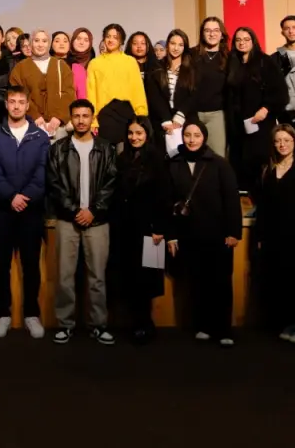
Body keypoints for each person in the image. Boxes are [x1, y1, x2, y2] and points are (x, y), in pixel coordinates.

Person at [0, 86, 50, 339]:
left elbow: (43, 172)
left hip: (31, 211)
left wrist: (25, 197)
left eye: (21, 102)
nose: (17, 106)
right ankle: (3, 314)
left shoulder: (40, 137)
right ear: (6, 105)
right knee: (1, 265)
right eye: (12, 102)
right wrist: (11, 196)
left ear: (28, 105)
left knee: (31, 265)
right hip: (2, 210)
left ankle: (32, 314)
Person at [46, 99, 116, 344]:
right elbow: (54, 184)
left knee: (97, 277)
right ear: (71, 119)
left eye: (86, 116)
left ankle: (99, 324)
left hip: (97, 222)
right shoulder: (59, 148)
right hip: (68, 221)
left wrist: (93, 211)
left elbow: (111, 184)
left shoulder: (106, 148)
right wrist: (75, 210)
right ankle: (65, 325)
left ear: (92, 118)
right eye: (76, 116)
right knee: (65, 277)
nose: (81, 120)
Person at [168, 120, 241, 346]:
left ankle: (224, 330)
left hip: (217, 234)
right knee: (196, 283)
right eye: (188, 135)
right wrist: (171, 234)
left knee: (220, 283)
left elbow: (231, 199)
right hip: (188, 234)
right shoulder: (173, 163)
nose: (191, 139)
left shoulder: (219, 164)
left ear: (204, 137)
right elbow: (166, 201)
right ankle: (203, 325)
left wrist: (233, 231)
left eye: (196, 135)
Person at [253, 124, 295, 345]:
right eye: (278, 141)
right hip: (274, 237)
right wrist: (260, 237)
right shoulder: (267, 169)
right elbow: (263, 207)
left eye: (287, 140)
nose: (282, 144)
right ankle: (288, 325)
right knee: (280, 283)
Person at [111, 117, 174, 344]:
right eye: (130, 133)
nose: (134, 137)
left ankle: (146, 324)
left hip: (151, 230)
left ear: (147, 134)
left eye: (138, 133)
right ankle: (134, 324)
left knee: (147, 279)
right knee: (129, 276)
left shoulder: (158, 159)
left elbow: (165, 196)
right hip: (126, 229)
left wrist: (160, 227)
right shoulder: (121, 159)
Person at [223, 26, 288, 196]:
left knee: (260, 166)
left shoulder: (265, 62)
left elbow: (280, 93)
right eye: (238, 40)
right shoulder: (232, 63)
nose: (242, 43)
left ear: (253, 41)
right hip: (237, 126)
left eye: (246, 39)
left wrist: (266, 109)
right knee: (239, 166)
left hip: (260, 124)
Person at [86, 23, 148, 145]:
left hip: (127, 114)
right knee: (106, 155)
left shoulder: (130, 61)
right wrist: (93, 120)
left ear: (121, 41)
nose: (111, 40)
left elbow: (137, 89)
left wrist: (141, 115)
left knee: (125, 154)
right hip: (104, 115)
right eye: (108, 36)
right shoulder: (94, 63)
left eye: (115, 37)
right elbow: (91, 92)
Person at [10, 29, 76, 140]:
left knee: (57, 156)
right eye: (36, 40)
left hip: (58, 126)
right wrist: (35, 116)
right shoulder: (20, 68)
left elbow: (69, 93)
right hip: (30, 124)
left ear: (49, 44)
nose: (40, 44)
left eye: (44, 41)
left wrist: (58, 117)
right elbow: (18, 94)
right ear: (31, 43)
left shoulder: (61, 65)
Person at [192, 17, 229, 158]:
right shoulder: (192, 55)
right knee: (195, 156)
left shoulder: (229, 57)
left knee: (217, 157)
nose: (212, 34)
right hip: (194, 113)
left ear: (222, 34)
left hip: (217, 115)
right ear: (202, 33)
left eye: (215, 30)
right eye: (207, 30)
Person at [125, 30, 174, 133]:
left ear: (148, 46)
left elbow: (162, 95)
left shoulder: (157, 67)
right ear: (130, 46)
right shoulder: (124, 66)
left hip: (154, 117)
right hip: (130, 115)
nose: (139, 46)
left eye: (143, 43)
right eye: (135, 43)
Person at [159, 29, 198, 132]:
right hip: (162, 121)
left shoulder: (192, 68)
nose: (176, 48)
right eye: (173, 44)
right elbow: (155, 96)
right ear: (167, 45)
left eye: (180, 45)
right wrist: (166, 119)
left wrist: (181, 115)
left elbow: (194, 94)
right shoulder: (158, 67)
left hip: (186, 120)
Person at [66, 28, 94, 99]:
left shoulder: (94, 62)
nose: (81, 42)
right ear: (72, 40)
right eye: (78, 39)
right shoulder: (65, 60)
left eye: (86, 40)